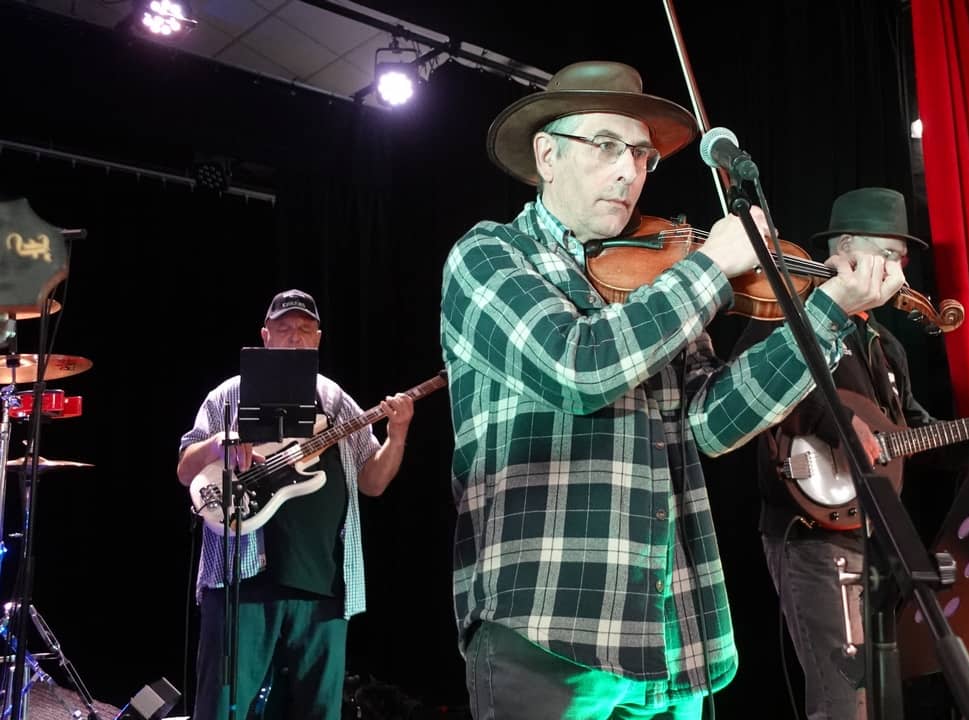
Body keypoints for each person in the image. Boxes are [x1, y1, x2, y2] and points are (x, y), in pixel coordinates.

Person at [440, 61, 906, 719]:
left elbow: (712, 423)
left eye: (640, 153)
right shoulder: (489, 256)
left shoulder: (662, 283)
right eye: (606, 145)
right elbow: (578, 369)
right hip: (550, 622)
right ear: (547, 154)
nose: (629, 170)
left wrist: (826, 309)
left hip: (671, 631)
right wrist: (712, 264)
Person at [730, 188, 935, 720]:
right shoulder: (787, 311)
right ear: (845, 248)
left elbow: (908, 428)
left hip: (875, 534)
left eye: (900, 260)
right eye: (884, 255)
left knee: (883, 694)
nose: (896, 273)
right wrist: (838, 424)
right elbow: (749, 396)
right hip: (811, 532)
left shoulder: (885, 344)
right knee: (844, 701)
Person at [176, 289, 414, 720]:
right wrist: (217, 445)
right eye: (284, 330)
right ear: (264, 336)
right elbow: (184, 469)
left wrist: (397, 434)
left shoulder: (336, 401)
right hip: (239, 581)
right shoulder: (228, 395)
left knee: (319, 711)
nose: (295, 339)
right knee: (220, 709)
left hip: (322, 583)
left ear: (318, 339)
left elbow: (373, 482)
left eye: (305, 331)